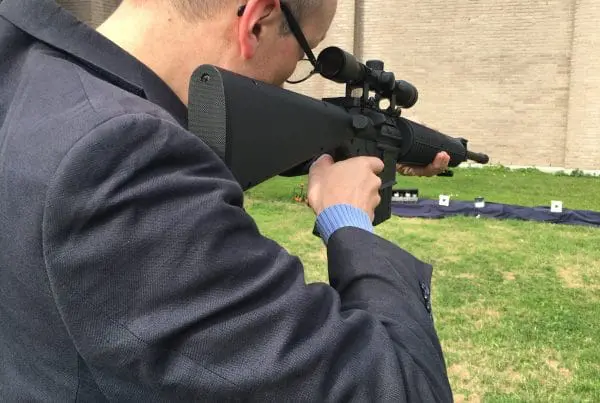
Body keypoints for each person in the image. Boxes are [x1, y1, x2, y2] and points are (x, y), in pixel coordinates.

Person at [0, 0, 453, 401]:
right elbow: (402, 389)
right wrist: (348, 221)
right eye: (303, 55)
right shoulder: (123, 156)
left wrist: (357, 151)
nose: (286, 83)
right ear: (256, 21)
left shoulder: (27, 73)